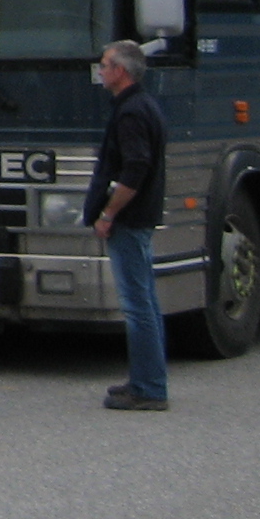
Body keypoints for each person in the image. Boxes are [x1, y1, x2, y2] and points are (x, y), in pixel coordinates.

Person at [88, 40, 169, 411]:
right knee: (146, 301)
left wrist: (108, 213)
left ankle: (149, 388)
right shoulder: (143, 105)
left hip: (130, 219)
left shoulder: (131, 112)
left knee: (137, 306)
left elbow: (135, 167)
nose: (100, 70)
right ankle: (146, 379)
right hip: (141, 216)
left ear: (120, 71)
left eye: (105, 64)